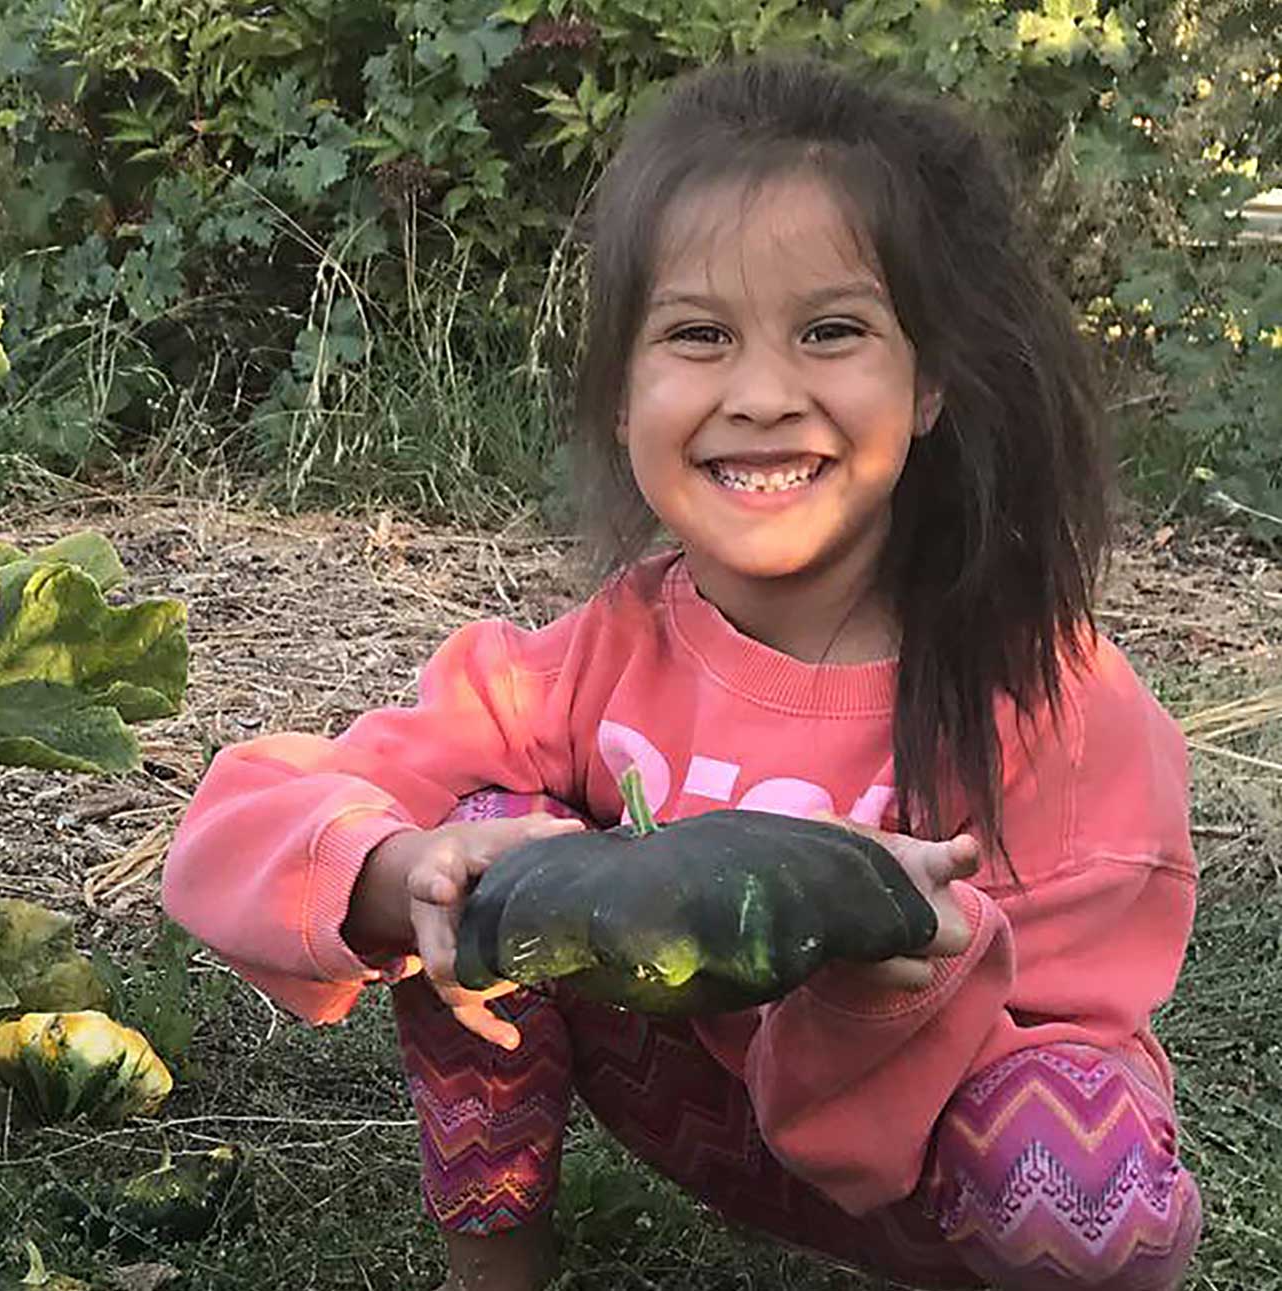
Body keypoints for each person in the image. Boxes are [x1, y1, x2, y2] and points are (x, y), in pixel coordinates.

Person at [161, 57, 1202, 1291]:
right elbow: (240, 824)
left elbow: (1075, 1036)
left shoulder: (1058, 704)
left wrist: (913, 960)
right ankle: (488, 1277)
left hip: (938, 1165)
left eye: (830, 331)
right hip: (710, 1124)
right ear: (620, 396)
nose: (760, 395)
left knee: (1078, 1172)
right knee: (485, 833)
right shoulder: (599, 656)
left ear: (927, 382)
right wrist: (398, 872)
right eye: (699, 335)